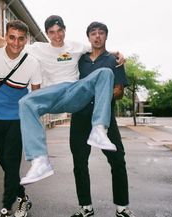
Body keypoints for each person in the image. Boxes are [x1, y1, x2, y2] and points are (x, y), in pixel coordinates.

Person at [0, 15, 125, 186]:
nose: (57, 36)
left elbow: (98, 47)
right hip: (51, 95)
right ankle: (40, 161)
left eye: (60, 31)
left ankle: (99, 129)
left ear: (64, 30)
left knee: (105, 73)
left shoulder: (76, 46)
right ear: (47, 34)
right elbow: (12, 46)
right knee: (25, 102)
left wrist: (117, 53)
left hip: (73, 93)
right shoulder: (38, 48)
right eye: (52, 33)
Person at [0, 20, 42, 217]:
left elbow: (35, 95)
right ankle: (22, 196)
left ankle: (7, 205)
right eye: (12, 37)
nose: (16, 43)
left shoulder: (32, 63)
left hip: (19, 116)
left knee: (12, 160)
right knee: (3, 159)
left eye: (21, 39)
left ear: (26, 40)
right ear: (6, 37)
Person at [70, 22, 135, 217]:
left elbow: (119, 91)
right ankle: (85, 208)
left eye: (101, 33)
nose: (97, 36)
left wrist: (98, 95)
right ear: (88, 37)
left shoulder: (114, 60)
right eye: (93, 33)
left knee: (117, 160)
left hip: (105, 118)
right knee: (79, 162)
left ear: (106, 36)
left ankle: (122, 208)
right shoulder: (80, 60)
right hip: (80, 117)